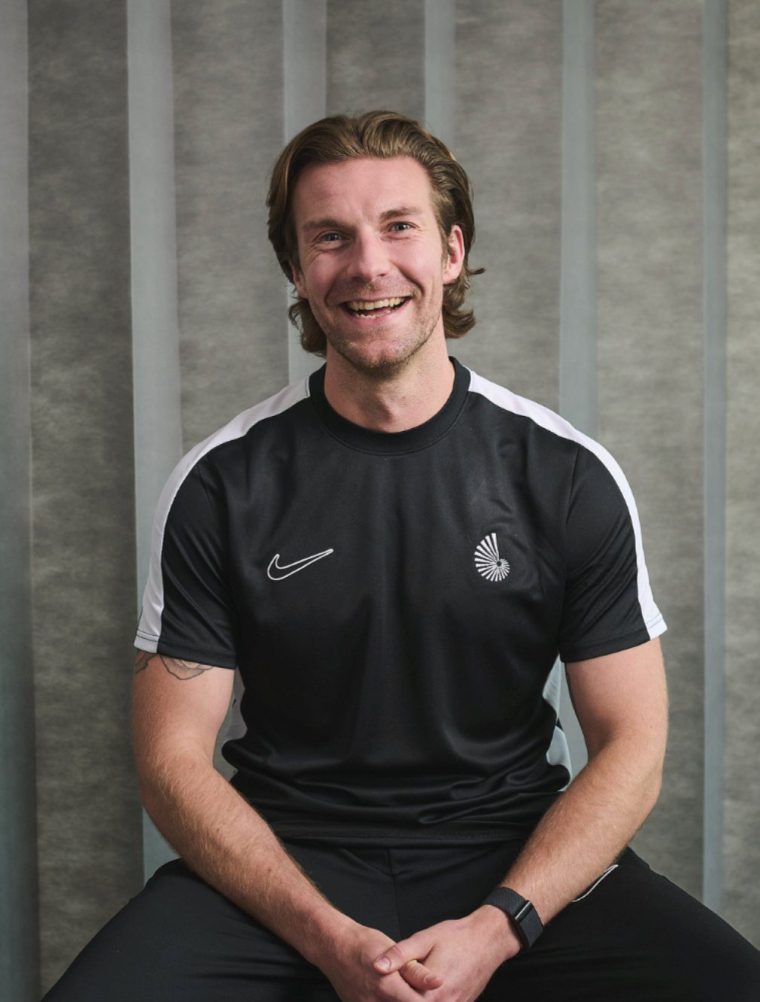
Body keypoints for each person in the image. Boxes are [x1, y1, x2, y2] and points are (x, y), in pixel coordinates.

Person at [45, 110, 759, 1002]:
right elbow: (172, 763)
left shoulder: (565, 474)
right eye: (330, 237)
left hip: (511, 855)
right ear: (297, 268)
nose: (368, 264)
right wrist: (327, 939)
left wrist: (500, 927)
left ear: (452, 252)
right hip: (289, 862)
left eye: (398, 227)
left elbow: (633, 747)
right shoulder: (222, 484)